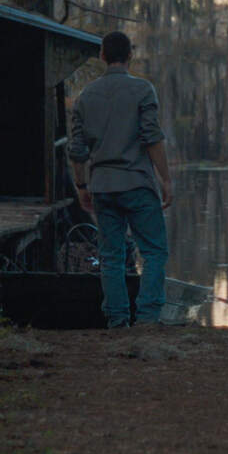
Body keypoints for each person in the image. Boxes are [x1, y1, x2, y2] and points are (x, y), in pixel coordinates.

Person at [67, 31, 175, 327]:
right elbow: (153, 139)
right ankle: (148, 318)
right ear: (130, 56)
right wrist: (166, 180)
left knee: (111, 257)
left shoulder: (86, 96)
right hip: (137, 185)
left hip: (102, 187)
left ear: (102, 56)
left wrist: (81, 186)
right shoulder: (143, 90)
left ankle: (117, 321)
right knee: (154, 252)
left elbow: (76, 150)